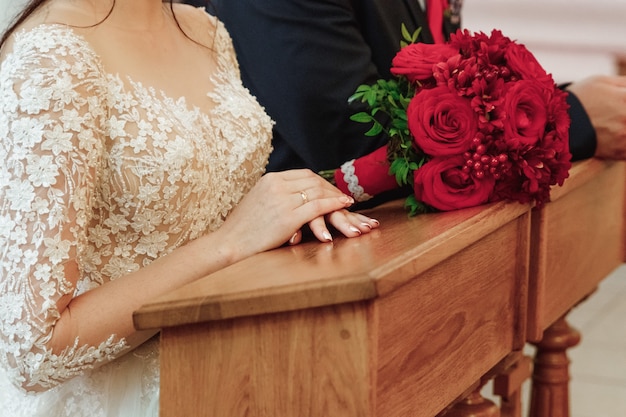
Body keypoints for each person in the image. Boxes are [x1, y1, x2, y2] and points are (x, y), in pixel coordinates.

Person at [0, 1, 381, 416]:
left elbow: (215, 198)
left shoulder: (206, 31)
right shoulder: (51, 58)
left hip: (239, 376)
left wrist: (293, 211)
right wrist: (230, 243)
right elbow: (34, 349)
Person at [195, 0, 626, 173]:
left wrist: (546, 101)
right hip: (305, 264)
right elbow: (352, 140)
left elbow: (438, 89)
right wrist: (570, 123)